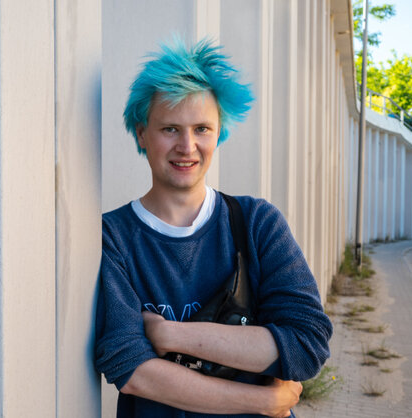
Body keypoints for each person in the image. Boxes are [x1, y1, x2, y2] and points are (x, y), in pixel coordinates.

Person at [94, 39, 332, 417]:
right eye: (170, 128)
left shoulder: (257, 223)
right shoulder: (113, 237)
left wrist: (172, 335)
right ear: (142, 133)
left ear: (219, 132)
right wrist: (265, 401)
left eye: (202, 128)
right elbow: (132, 369)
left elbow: (306, 345)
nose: (187, 146)